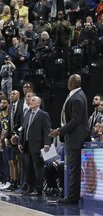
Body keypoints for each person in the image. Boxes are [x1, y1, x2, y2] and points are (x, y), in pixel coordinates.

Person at [49, 74, 89, 205]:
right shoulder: (76, 95)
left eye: (69, 81)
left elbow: (75, 121)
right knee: (73, 169)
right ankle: (73, 196)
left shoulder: (77, 97)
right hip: (72, 137)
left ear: (71, 83)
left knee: (73, 170)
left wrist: (60, 131)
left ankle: (72, 197)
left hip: (75, 138)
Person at [18, 96, 51, 196]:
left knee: (38, 168)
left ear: (38, 103)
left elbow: (47, 130)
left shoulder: (43, 115)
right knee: (28, 168)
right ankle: (30, 187)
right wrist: (20, 142)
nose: (30, 101)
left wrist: (47, 143)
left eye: (33, 100)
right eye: (30, 100)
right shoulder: (27, 114)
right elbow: (23, 129)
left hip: (38, 145)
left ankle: (38, 189)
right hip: (27, 145)